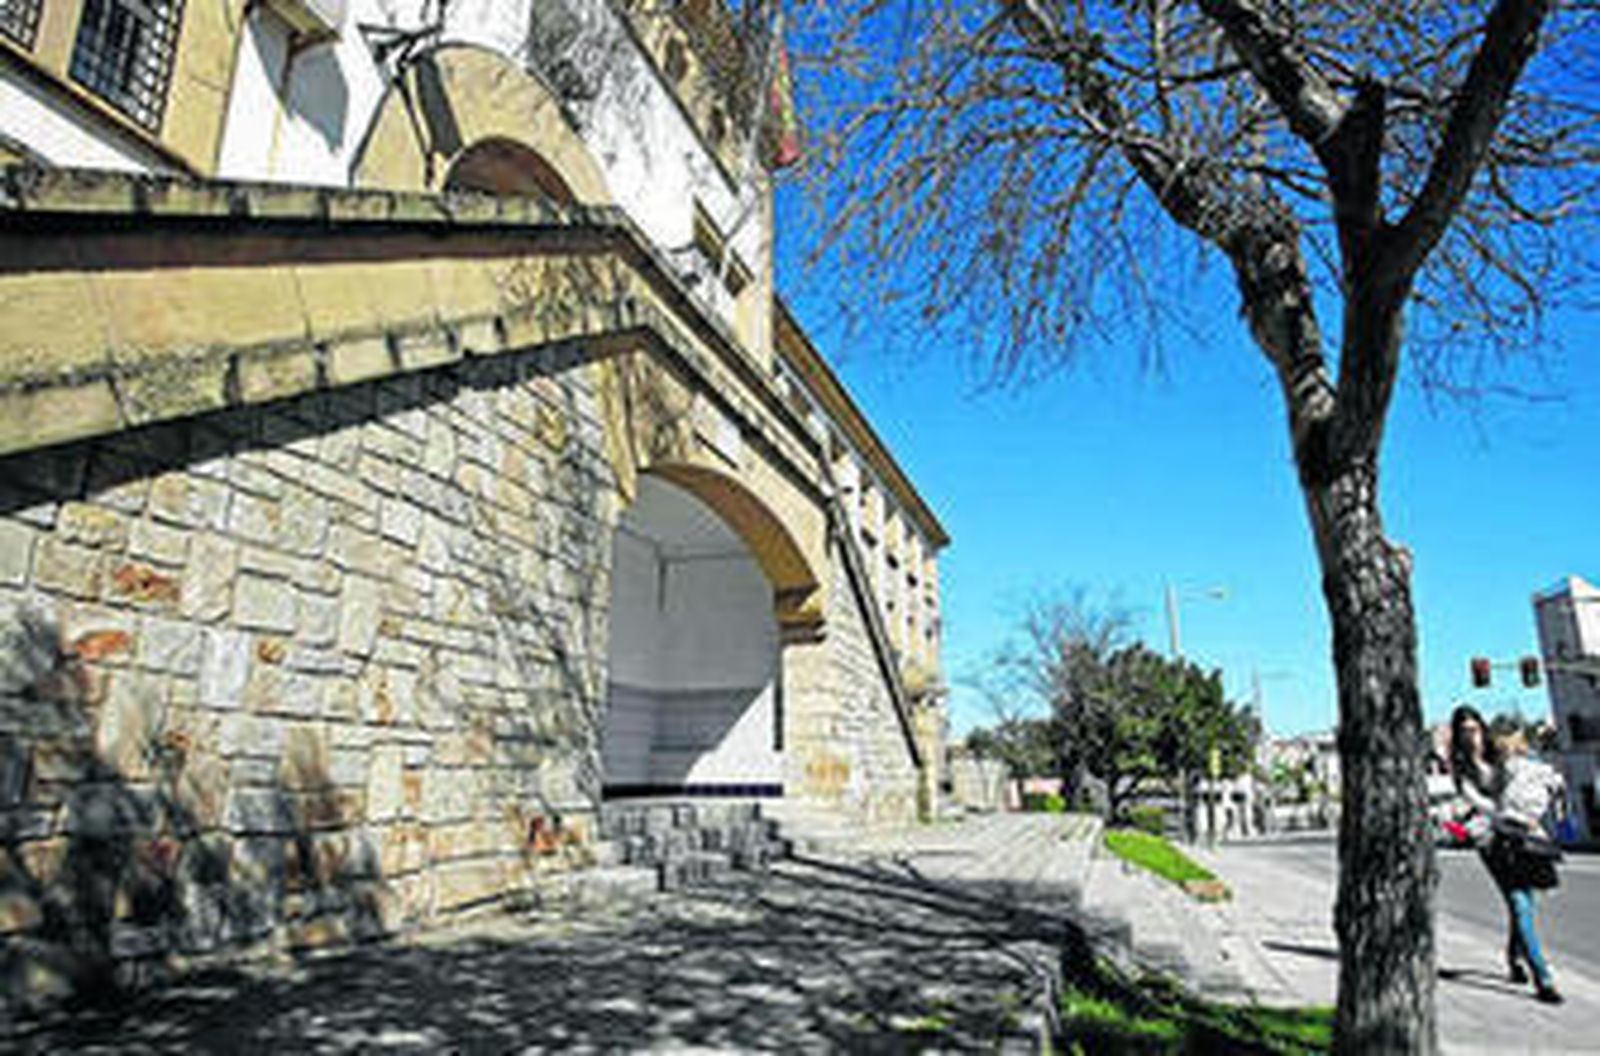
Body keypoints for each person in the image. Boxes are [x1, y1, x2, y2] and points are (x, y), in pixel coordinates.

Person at [1449, 705, 1566, 1004]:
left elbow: (1528, 777)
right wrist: (1510, 814)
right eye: (1464, 732)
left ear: (1482, 729)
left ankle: (1514, 956)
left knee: (1524, 905)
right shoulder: (1461, 770)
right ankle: (1544, 979)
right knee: (1518, 903)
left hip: (1521, 836)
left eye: (1474, 729)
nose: (1470, 737)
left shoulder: (1501, 755)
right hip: (1492, 842)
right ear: (1457, 736)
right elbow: (1480, 804)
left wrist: (1544, 789)